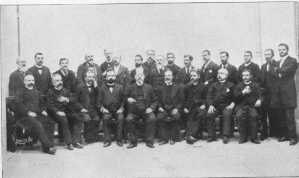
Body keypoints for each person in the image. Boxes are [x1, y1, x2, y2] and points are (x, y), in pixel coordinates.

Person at [15, 74, 56, 154]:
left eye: (32, 80)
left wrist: (43, 110)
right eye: (29, 80)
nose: (31, 82)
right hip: (24, 116)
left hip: (36, 114)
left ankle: (48, 145)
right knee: (38, 124)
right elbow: (18, 105)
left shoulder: (37, 92)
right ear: (24, 82)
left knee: (50, 122)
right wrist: (28, 112)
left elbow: (42, 104)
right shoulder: (20, 92)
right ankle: (48, 147)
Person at [47, 73, 85, 150]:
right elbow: (50, 106)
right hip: (54, 113)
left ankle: (76, 141)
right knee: (64, 120)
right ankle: (69, 143)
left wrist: (66, 99)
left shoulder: (65, 91)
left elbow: (73, 99)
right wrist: (58, 112)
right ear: (53, 82)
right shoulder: (50, 92)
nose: (60, 82)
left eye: (61, 80)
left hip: (66, 111)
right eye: (57, 81)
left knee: (78, 118)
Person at [271, 43, 298, 145]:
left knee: (289, 117)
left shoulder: (293, 61)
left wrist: (278, 70)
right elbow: (273, 74)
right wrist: (279, 71)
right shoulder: (277, 62)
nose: (281, 51)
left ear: (287, 50)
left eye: (283, 49)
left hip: (288, 93)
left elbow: (287, 70)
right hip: (279, 93)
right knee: (281, 116)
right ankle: (285, 135)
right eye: (280, 50)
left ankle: (293, 137)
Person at [125, 72, 158, 149]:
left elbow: (155, 100)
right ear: (135, 77)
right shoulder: (130, 87)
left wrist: (151, 108)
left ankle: (149, 141)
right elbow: (125, 98)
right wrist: (128, 99)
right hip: (134, 111)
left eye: (141, 76)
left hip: (146, 111)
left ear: (144, 77)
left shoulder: (149, 87)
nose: (139, 77)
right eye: (138, 76)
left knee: (152, 118)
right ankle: (133, 142)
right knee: (129, 119)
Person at [206, 68, 235, 143]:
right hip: (216, 106)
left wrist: (233, 103)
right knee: (209, 114)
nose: (219, 75)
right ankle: (211, 135)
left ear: (226, 75)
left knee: (227, 114)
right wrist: (211, 105)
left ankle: (225, 135)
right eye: (218, 73)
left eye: (221, 73)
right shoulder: (213, 85)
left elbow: (235, 97)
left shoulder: (231, 85)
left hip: (226, 106)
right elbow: (209, 96)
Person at [97, 69, 125, 147]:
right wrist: (102, 108)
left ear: (115, 77)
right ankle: (107, 140)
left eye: (112, 75)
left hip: (118, 110)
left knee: (120, 118)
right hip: (107, 110)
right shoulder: (102, 88)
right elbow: (98, 102)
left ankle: (119, 139)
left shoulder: (120, 87)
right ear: (106, 77)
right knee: (105, 118)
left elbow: (124, 100)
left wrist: (121, 108)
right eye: (109, 76)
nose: (111, 77)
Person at [156, 70, 184, 145]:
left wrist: (177, 108)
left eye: (169, 75)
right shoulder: (160, 87)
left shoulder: (177, 87)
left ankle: (173, 138)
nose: (167, 77)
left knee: (176, 116)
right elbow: (157, 100)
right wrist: (159, 107)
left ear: (172, 77)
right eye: (166, 75)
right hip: (164, 108)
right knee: (159, 117)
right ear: (164, 77)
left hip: (173, 108)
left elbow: (181, 100)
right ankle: (164, 139)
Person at [234, 69, 262, 144]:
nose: (245, 77)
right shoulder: (239, 85)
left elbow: (260, 95)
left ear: (251, 76)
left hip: (252, 106)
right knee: (239, 116)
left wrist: (259, 100)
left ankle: (254, 137)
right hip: (241, 106)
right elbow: (235, 97)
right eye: (243, 75)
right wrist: (243, 92)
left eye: (247, 75)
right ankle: (243, 137)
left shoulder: (255, 85)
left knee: (254, 116)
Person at [76, 71, 100, 144]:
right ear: (85, 78)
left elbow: (100, 97)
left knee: (96, 118)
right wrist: (81, 108)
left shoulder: (95, 87)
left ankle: (93, 137)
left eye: (92, 77)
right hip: (83, 109)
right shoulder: (80, 87)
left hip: (93, 109)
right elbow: (75, 100)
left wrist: (96, 87)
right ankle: (86, 138)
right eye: (89, 77)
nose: (91, 79)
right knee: (87, 119)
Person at [183, 70, 206, 144]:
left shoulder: (203, 86)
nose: (192, 77)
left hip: (200, 106)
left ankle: (193, 135)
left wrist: (204, 104)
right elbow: (184, 98)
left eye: (194, 75)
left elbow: (207, 97)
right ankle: (190, 135)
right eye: (191, 76)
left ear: (198, 77)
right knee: (190, 116)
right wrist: (185, 107)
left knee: (200, 114)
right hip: (190, 106)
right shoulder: (187, 86)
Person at [260, 49, 277, 140]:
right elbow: (261, 80)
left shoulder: (276, 64)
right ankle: (264, 133)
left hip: (274, 93)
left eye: (269, 54)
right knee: (263, 113)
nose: (267, 56)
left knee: (273, 113)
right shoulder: (263, 66)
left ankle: (274, 132)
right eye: (265, 54)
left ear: (272, 55)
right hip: (264, 94)